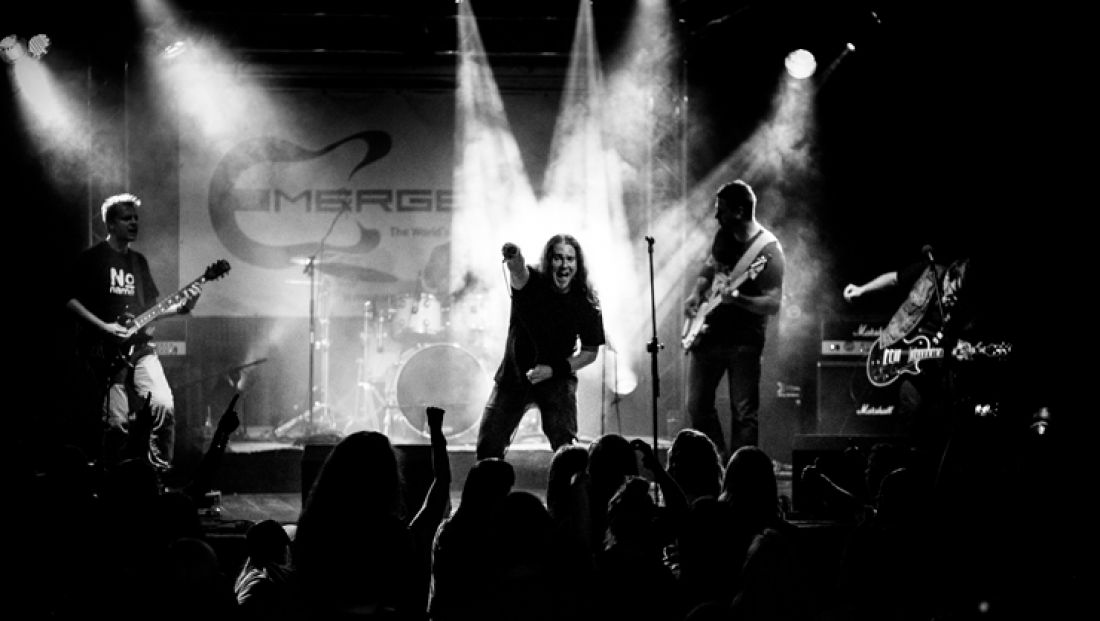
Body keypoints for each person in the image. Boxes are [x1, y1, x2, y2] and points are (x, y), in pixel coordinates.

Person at [66, 192, 201, 473]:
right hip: (106, 353)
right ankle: (112, 480)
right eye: (127, 218)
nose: (134, 223)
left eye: (136, 218)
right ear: (111, 224)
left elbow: (151, 310)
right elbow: (69, 300)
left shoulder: (139, 263)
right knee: (117, 424)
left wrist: (183, 308)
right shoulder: (93, 259)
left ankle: (159, 476)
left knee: (164, 406)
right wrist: (104, 327)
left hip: (140, 349)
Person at [475, 234, 605, 459]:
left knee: (567, 450)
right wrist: (514, 256)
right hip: (514, 377)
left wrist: (553, 370)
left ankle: (569, 481)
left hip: (557, 379)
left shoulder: (585, 300)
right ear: (548, 260)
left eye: (570, 259)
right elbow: (519, 272)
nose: (564, 265)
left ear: (577, 264)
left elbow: (590, 352)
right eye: (558, 258)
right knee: (488, 448)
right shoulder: (533, 282)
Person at [683, 180, 785, 463]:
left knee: (743, 414)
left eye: (722, 210)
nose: (717, 216)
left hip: (744, 342)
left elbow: (773, 303)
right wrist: (696, 292)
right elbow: (712, 263)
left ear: (739, 211)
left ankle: (742, 474)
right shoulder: (724, 235)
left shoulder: (769, 251)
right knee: (697, 405)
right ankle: (719, 464)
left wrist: (738, 299)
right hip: (710, 334)